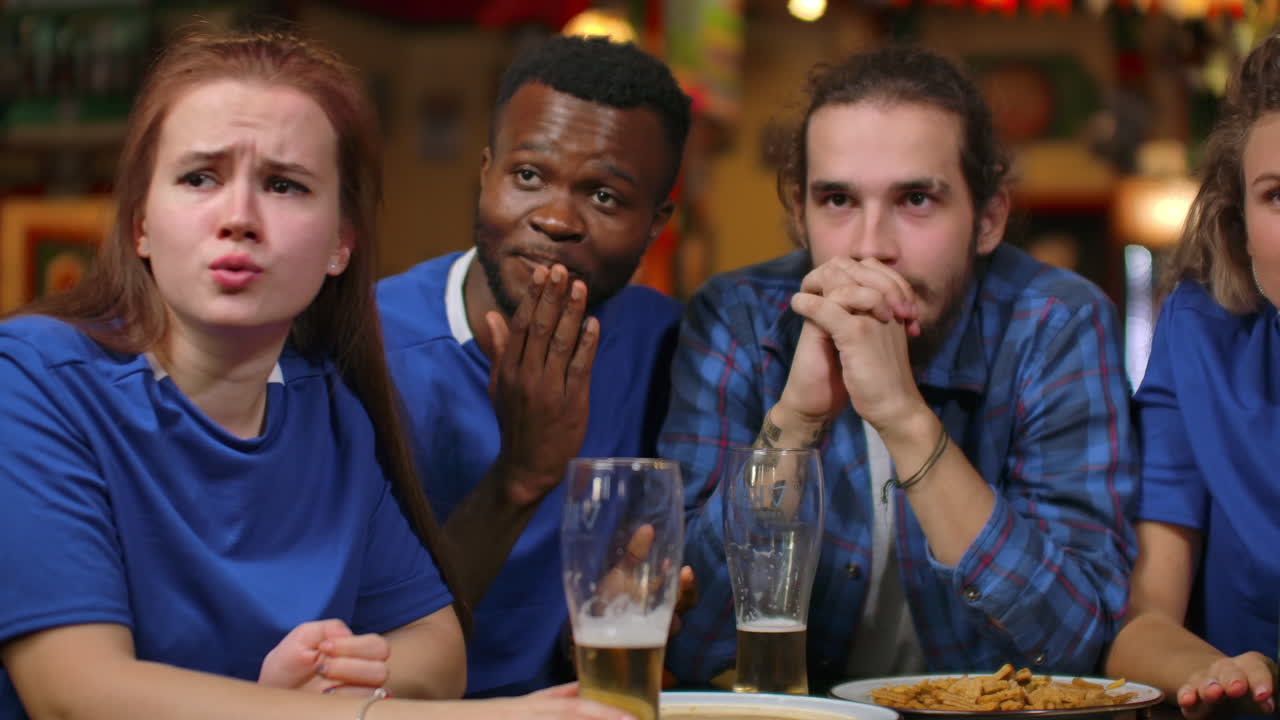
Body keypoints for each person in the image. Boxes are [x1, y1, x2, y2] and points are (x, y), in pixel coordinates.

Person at [0, 29, 631, 720]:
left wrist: (337, 677)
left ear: (341, 242)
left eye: (284, 185)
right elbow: (74, 693)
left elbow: (439, 651)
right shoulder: (33, 379)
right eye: (199, 177)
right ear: (140, 224)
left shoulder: (325, 407)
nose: (238, 218)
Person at [661, 46, 1138, 691]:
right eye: (837, 200)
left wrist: (903, 417)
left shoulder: (1056, 324)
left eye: (915, 199)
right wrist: (794, 423)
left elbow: (1073, 644)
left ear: (989, 219)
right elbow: (686, 642)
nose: (870, 247)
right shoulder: (737, 319)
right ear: (797, 214)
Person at [377, 35, 690, 698]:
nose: (553, 218)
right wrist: (519, 478)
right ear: (484, 172)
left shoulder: (666, 345)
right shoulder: (369, 352)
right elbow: (365, 646)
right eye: (528, 176)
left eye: (604, 196)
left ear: (656, 222)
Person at [1103, 32, 1280, 720]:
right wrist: (1213, 672)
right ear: (1239, 230)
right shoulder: (1200, 333)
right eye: (1279, 195)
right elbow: (1141, 629)